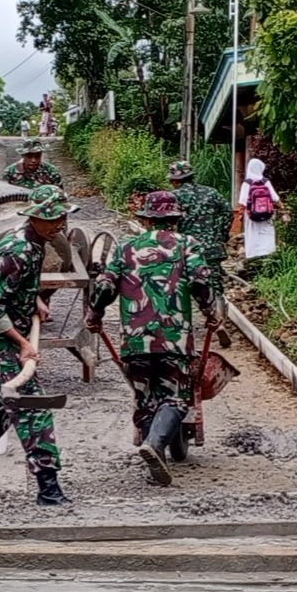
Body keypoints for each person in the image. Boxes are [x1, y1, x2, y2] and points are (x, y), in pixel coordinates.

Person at [86, 190, 222, 487]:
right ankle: (156, 444)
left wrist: (95, 313)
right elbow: (200, 281)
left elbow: (106, 285)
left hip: (135, 339)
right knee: (176, 397)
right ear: (175, 219)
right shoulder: (187, 244)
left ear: (146, 219)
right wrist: (211, 310)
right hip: (174, 338)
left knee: (145, 398)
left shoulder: (125, 247)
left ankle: (153, 463)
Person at [0, 184, 74, 505]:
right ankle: (49, 489)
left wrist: (33, 301)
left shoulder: (37, 242)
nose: (59, 224)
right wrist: (22, 344)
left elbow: (14, 289)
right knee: (32, 408)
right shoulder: (16, 251)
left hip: (9, 332)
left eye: (61, 218)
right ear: (34, 218)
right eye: (52, 219)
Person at [166, 159, 234, 279]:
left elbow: (166, 222)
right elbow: (228, 212)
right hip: (212, 249)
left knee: (186, 284)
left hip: (186, 250)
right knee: (214, 284)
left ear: (174, 180)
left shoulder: (173, 197)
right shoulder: (211, 192)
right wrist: (221, 235)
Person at [235, 158, 284, 260]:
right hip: (267, 214)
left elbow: (242, 202)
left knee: (252, 234)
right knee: (266, 233)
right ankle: (268, 253)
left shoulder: (247, 183)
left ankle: (253, 255)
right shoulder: (265, 181)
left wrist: (239, 215)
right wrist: (284, 209)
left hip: (252, 215)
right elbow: (275, 198)